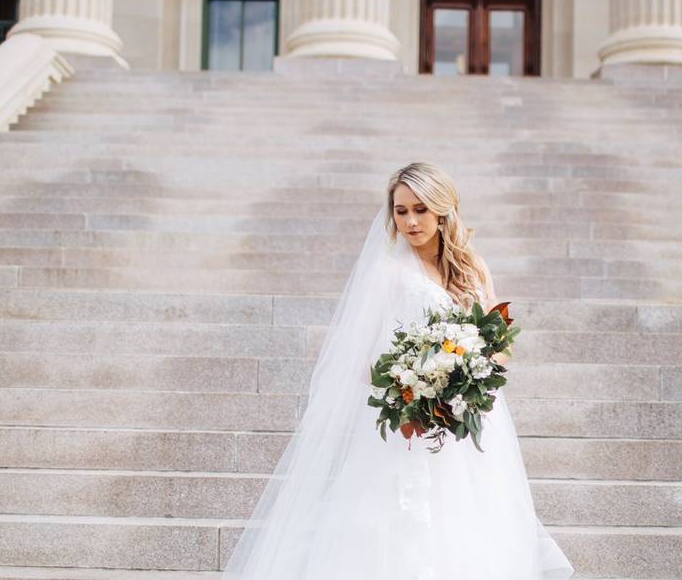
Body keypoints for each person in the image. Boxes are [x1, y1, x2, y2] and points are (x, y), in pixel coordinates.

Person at [221, 162, 575, 579]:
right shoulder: (389, 272)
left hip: (471, 421)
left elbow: (497, 344)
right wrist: (416, 386)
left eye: (420, 209)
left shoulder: (473, 268)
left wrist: (469, 378)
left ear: (443, 212)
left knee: (469, 524)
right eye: (400, 210)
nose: (409, 221)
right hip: (412, 423)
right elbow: (362, 362)